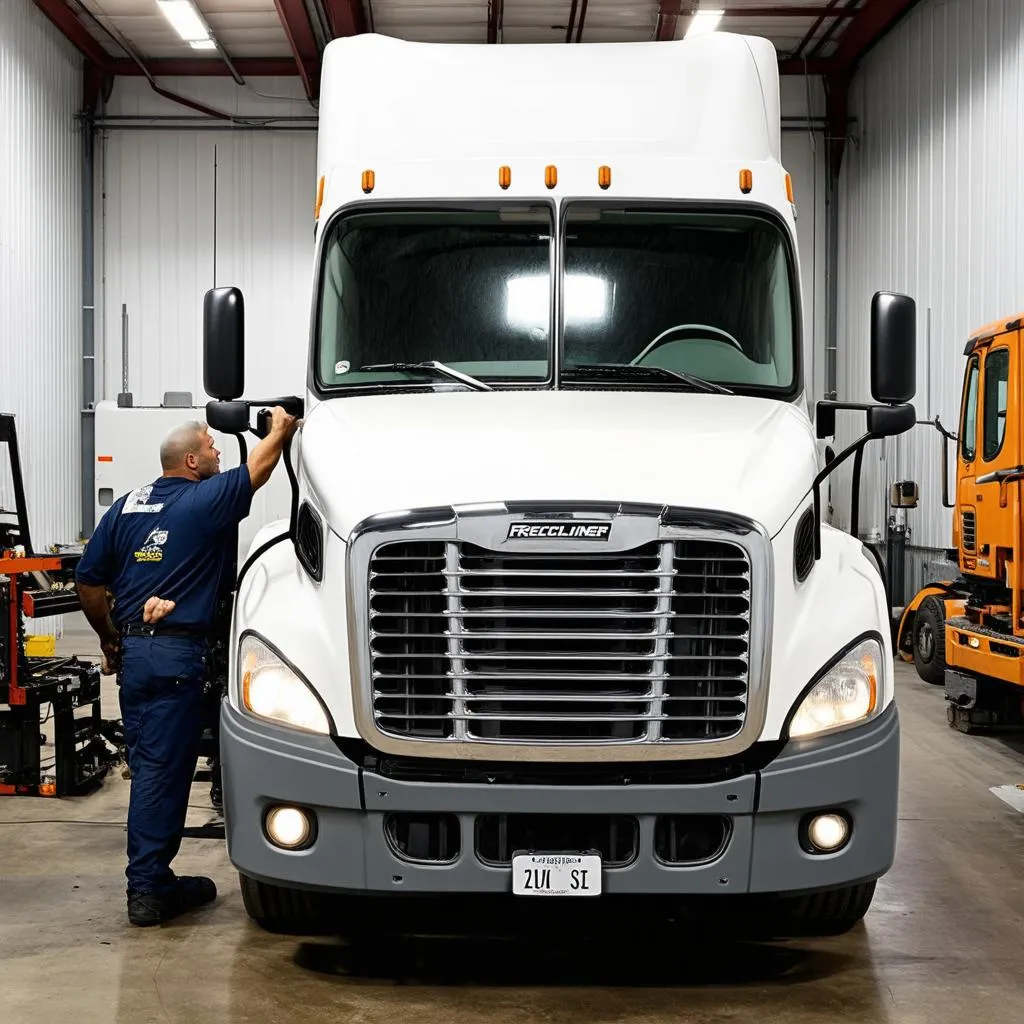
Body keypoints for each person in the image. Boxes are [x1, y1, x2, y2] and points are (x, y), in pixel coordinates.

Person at [76, 407, 298, 926]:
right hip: (178, 655)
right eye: (213, 445)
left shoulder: (126, 506)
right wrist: (282, 429)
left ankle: (156, 877)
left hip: (136, 654)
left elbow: (89, 581)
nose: (221, 451)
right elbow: (260, 469)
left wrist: (109, 637)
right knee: (161, 772)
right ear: (192, 460)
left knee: (155, 767)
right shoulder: (202, 500)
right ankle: (148, 888)